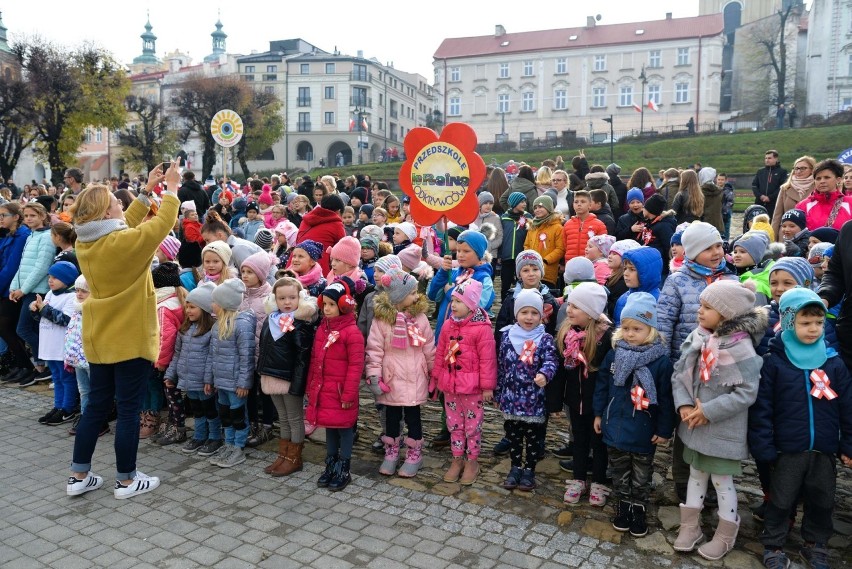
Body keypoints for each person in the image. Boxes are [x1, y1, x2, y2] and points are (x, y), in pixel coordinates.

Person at [66, 162, 181, 500]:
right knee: (128, 410)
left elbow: (122, 225)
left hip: (100, 336)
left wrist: (147, 192)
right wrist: (170, 189)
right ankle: (127, 480)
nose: (121, 203)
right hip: (129, 337)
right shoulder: (122, 242)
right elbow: (161, 225)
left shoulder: (85, 243)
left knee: (97, 407)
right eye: (116, 201)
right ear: (105, 211)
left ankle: (78, 475)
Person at [749, 287, 851, 568]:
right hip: (788, 448)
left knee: (822, 499)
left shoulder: (833, 363)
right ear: (790, 321)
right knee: (781, 499)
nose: (814, 329)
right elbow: (762, 409)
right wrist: (763, 445)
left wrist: (848, 443)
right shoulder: (775, 363)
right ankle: (774, 544)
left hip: (824, 449)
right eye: (806, 323)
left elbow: (847, 407)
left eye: (819, 323)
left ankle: (815, 543)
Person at [672, 281, 765, 560]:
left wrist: (709, 411)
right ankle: (691, 526)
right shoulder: (699, 337)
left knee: (722, 481)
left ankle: (726, 533)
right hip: (694, 425)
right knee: (696, 474)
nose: (699, 311)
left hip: (721, 427)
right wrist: (685, 404)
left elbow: (747, 391)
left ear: (726, 314)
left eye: (707, 307)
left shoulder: (740, 347)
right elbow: (681, 373)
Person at [594, 293, 674, 537]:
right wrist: (599, 414)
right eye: (626, 328)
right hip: (615, 425)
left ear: (650, 330)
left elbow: (666, 398)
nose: (630, 334)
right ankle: (623, 504)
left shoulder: (660, 361)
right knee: (619, 471)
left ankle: (639, 506)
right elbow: (603, 386)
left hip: (642, 429)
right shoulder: (614, 354)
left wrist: (663, 429)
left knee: (641, 474)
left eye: (637, 328)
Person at [366, 270, 435, 478]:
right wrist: (374, 375)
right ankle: (392, 451)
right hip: (391, 378)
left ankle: (414, 453)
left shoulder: (419, 318)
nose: (416, 296)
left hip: (415, 377)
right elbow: (374, 349)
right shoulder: (382, 321)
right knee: (392, 417)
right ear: (397, 296)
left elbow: (429, 347)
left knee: (414, 417)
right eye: (412, 293)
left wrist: (434, 374)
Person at [432, 279, 497, 485]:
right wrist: (436, 378)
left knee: (472, 425)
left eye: (458, 301)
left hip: (472, 388)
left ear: (471, 305)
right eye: (452, 300)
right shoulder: (448, 325)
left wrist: (487, 386)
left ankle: (472, 460)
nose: (454, 305)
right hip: (450, 385)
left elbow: (488, 359)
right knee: (454, 424)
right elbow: (441, 352)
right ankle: (457, 458)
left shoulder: (481, 328)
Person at [306, 277, 365, 491]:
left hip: (341, 392)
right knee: (329, 428)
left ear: (343, 305)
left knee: (345, 430)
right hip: (324, 390)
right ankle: (330, 464)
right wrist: (311, 386)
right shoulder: (323, 329)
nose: (327, 309)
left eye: (332, 305)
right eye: (325, 305)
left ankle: (344, 468)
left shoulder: (352, 333)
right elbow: (315, 359)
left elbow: (355, 367)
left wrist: (349, 394)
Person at [496, 288, 558, 491]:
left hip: (533, 399)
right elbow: (501, 366)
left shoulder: (545, 339)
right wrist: (499, 391)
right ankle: (515, 467)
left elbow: (551, 360)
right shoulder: (507, 337)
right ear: (516, 314)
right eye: (524, 312)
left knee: (532, 438)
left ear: (541, 316)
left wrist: (545, 373)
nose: (529, 317)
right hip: (511, 398)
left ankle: (529, 469)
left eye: (534, 313)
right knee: (513, 436)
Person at [557, 283, 613, 506]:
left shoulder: (606, 339)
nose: (569, 310)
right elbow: (561, 371)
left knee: (598, 443)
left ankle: (599, 480)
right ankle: (579, 478)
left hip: (597, 402)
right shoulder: (567, 334)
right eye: (569, 304)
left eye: (576, 307)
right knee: (579, 440)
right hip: (575, 400)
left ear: (590, 313)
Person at [257, 277, 317, 477]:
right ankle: (283, 455)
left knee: (294, 418)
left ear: (300, 297)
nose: (287, 302)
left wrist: (298, 384)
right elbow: (264, 348)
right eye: (282, 298)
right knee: (282, 418)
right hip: (272, 377)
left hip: (290, 379)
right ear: (275, 299)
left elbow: (302, 356)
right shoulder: (271, 319)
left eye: (292, 297)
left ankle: (294, 458)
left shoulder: (300, 324)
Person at [204, 279, 256, 468]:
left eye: (214, 301)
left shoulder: (241, 325)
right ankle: (229, 442)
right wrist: (209, 379)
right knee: (225, 413)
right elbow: (211, 355)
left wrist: (244, 383)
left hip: (235, 383)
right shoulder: (217, 326)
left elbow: (247, 357)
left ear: (225, 304)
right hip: (221, 382)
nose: (212, 305)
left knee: (238, 413)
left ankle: (238, 446)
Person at [165, 282, 220, 457]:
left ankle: (215, 437)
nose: (188, 310)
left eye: (192, 307)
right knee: (197, 410)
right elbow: (177, 354)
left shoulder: (211, 330)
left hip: (203, 382)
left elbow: (212, 358)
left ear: (203, 308)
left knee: (210, 409)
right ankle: (199, 436)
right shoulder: (185, 329)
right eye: (187, 306)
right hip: (187, 380)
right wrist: (171, 375)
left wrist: (208, 380)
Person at [9, 202, 55, 386]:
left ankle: (46, 364)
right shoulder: (32, 235)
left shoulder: (46, 237)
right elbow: (23, 266)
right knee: (33, 329)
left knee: (23, 328)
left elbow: (41, 267)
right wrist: (14, 287)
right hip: (27, 289)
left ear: (43, 216)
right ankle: (41, 367)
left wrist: (23, 290)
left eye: (33, 216)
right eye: (26, 216)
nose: (29, 219)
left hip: (38, 290)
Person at [32, 261, 80, 426]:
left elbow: (65, 319)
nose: (50, 281)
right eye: (50, 277)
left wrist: (42, 309)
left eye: (55, 277)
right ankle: (58, 406)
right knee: (57, 377)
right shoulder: (50, 294)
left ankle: (68, 409)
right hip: (49, 346)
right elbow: (43, 316)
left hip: (62, 346)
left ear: (66, 279)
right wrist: (36, 310)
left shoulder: (71, 296)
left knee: (66, 378)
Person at [0, 202, 33, 385]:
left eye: (3, 215)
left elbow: (12, 267)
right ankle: (19, 366)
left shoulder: (22, 235)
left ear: (16, 217)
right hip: (5, 287)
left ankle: (27, 366)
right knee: (9, 329)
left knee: (6, 327)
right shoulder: (7, 234)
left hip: (12, 288)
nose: (0, 219)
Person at [795, 159, 852, 231]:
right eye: (818, 178)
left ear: (838, 180)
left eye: (827, 177)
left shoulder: (850, 203)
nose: (822, 181)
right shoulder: (802, 206)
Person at [523, 196, 566, 288]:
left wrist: (545, 261)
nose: (537, 210)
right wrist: (528, 258)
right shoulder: (532, 227)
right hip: (531, 270)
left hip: (547, 272)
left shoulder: (557, 227)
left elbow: (560, 249)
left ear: (548, 208)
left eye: (540, 207)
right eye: (535, 208)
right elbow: (527, 245)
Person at [770, 156, 815, 240]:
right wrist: (772, 238)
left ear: (812, 170)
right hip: (786, 235)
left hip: (809, 235)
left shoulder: (818, 188)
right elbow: (777, 216)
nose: (798, 171)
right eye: (796, 168)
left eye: (803, 168)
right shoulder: (785, 188)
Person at [751, 150, 788, 214]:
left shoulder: (782, 172)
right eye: (766, 158)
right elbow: (754, 185)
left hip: (775, 204)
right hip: (759, 203)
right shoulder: (760, 171)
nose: (767, 160)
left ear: (776, 158)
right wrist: (760, 196)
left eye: (769, 158)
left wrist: (770, 197)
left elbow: (782, 187)